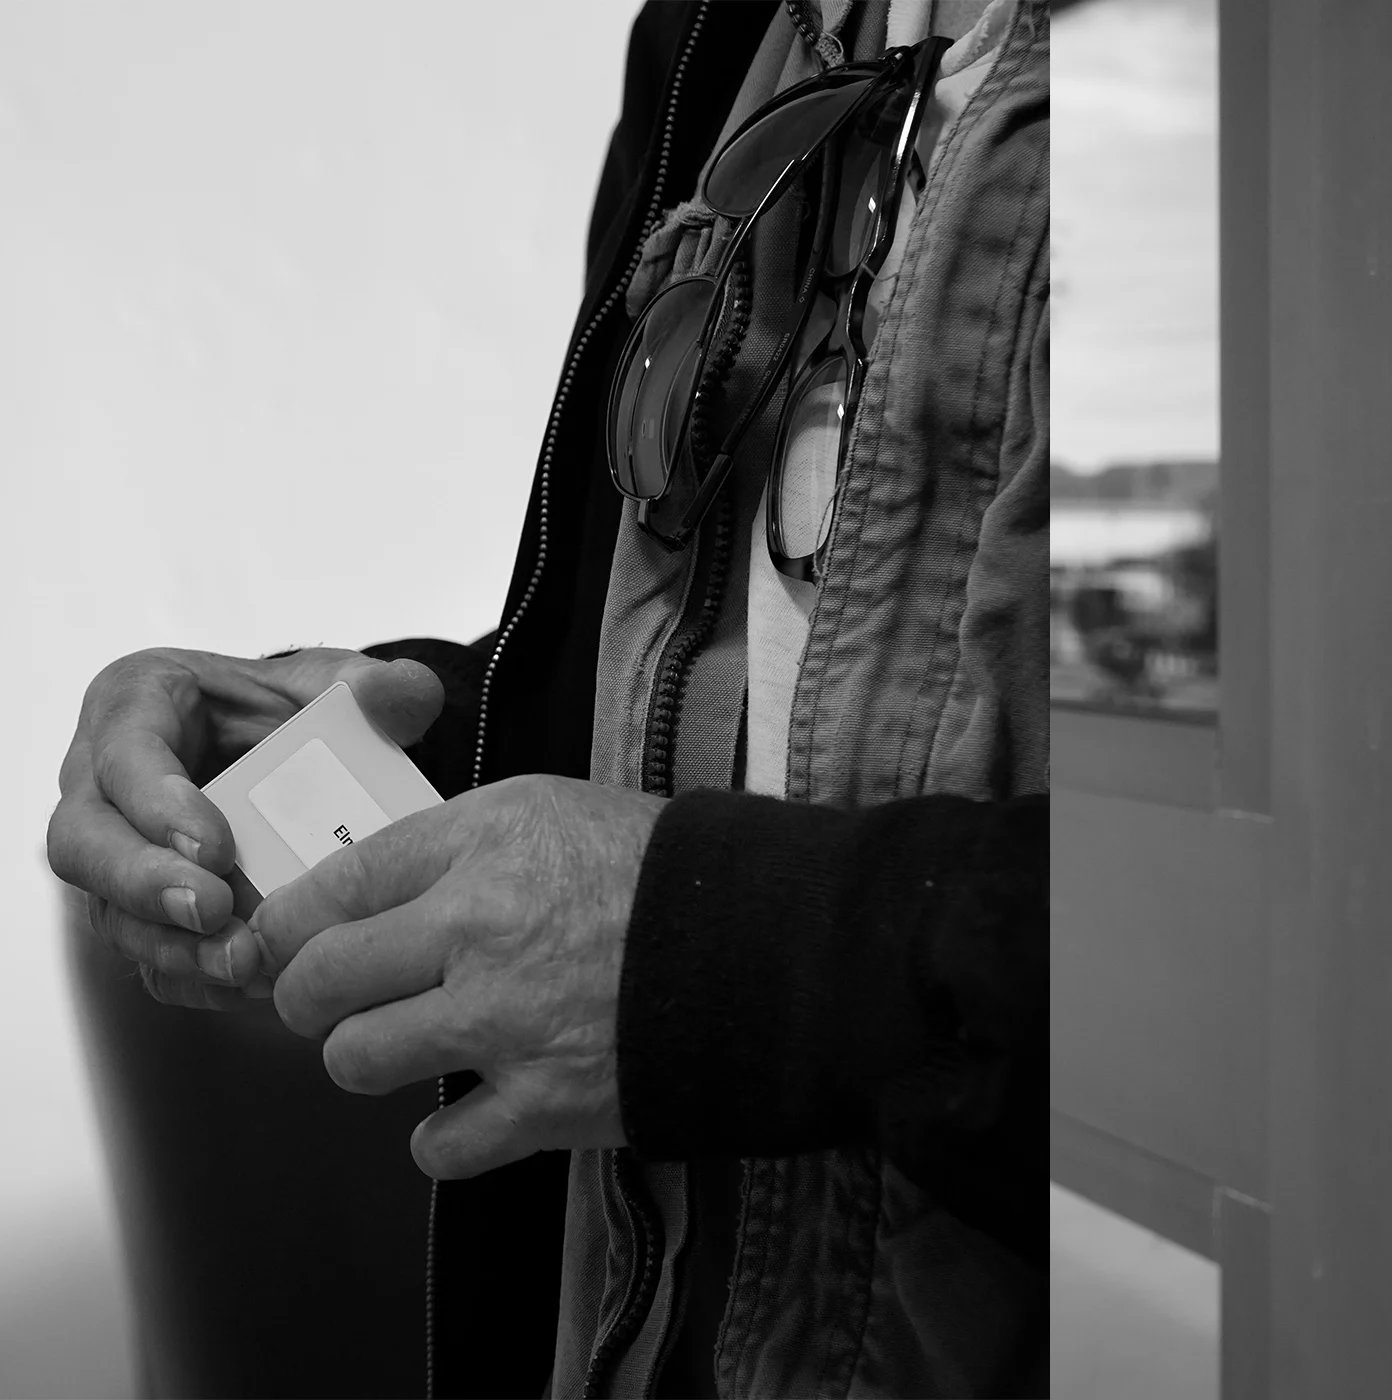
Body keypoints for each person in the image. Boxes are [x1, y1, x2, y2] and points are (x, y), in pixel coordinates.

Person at [44, 2, 1048, 1396]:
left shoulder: (1292, 102)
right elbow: (716, 713)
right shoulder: (723, 37)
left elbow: (1333, 946)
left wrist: (727, 956)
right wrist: (372, 755)